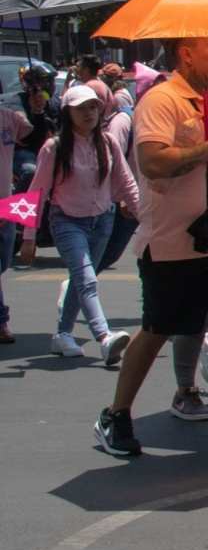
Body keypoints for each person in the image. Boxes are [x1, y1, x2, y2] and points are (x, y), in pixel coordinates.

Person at [91, 37, 208, 458]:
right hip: (173, 242)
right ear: (186, 53)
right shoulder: (161, 100)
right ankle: (116, 413)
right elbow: (153, 162)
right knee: (156, 330)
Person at [19, 84, 137, 361]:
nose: (89, 113)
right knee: (86, 279)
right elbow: (36, 193)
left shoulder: (107, 143)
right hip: (67, 221)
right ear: (67, 113)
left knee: (81, 278)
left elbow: (127, 183)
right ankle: (105, 336)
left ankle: (62, 334)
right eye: (81, 108)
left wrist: (149, 224)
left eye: (93, 106)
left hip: (103, 220)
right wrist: (28, 237)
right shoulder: (54, 147)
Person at [0, 97, 34, 342]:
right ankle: (1, 321)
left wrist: (35, 102)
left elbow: (34, 133)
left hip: (7, 202)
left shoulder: (9, 117)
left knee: (4, 262)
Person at [14, 64, 60, 195]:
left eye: (51, 81)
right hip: (27, 151)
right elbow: (29, 140)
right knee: (31, 171)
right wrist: (37, 112)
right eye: (44, 81)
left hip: (51, 149)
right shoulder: (17, 103)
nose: (50, 85)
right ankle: (16, 205)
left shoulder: (55, 103)